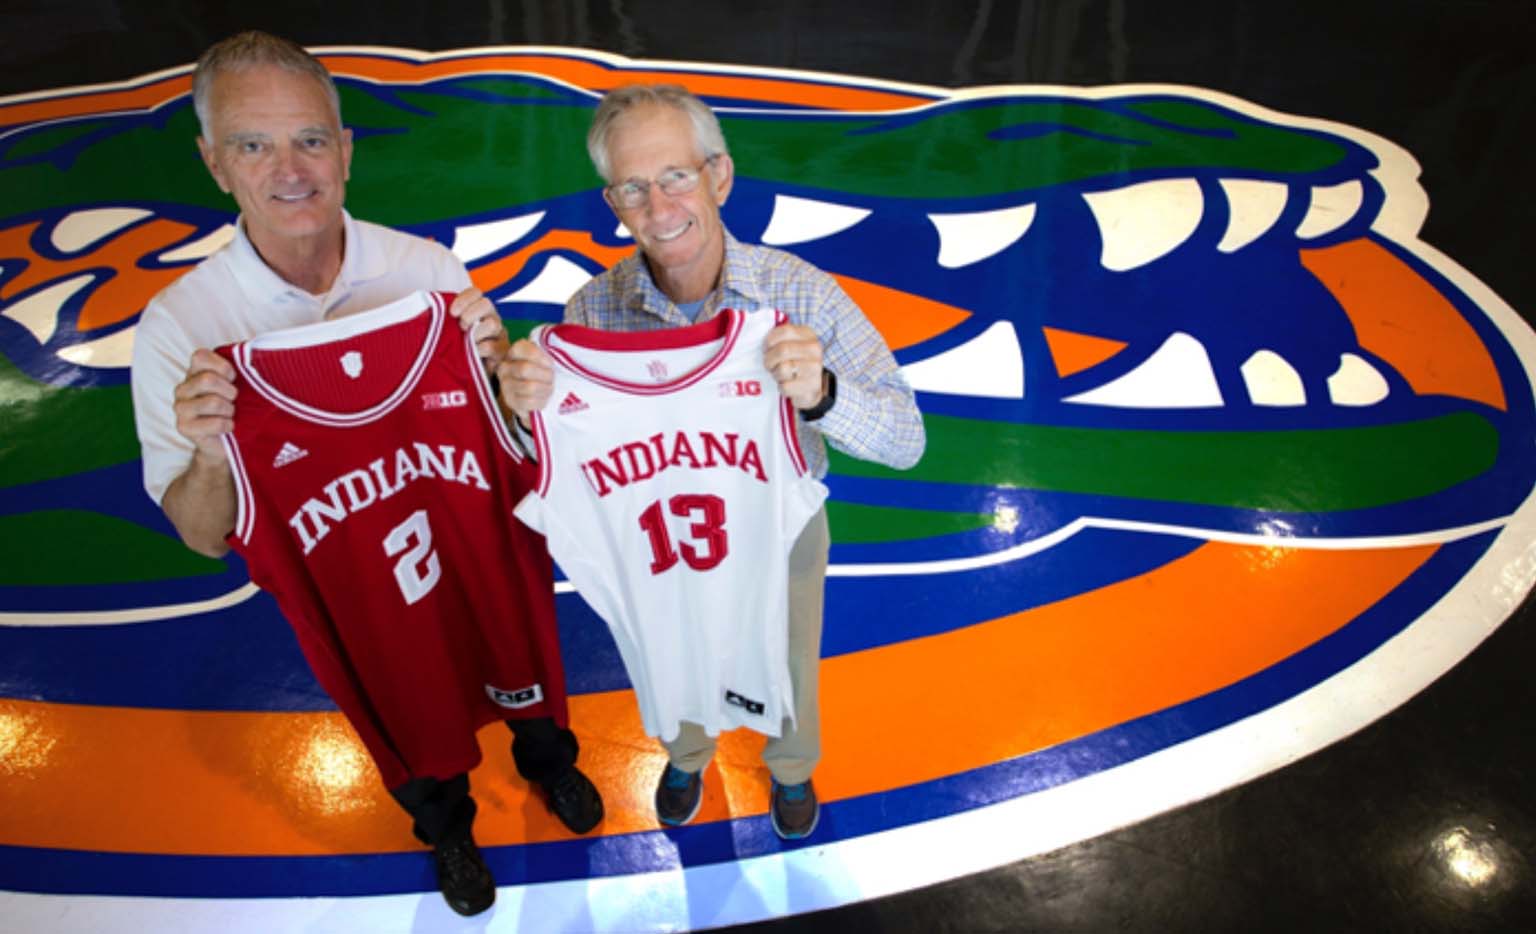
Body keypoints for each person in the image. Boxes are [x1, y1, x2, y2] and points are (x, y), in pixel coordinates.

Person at [128, 31, 601, 917]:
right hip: (366, 608)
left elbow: (515, 449)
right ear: (214, 163)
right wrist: (207, 449)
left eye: (311, 138)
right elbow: (200, 534)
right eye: (252, 145)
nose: (290, 168)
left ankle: (551, 766)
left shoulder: (425, 275)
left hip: (477, 572)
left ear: (345, 149)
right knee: (414, 732)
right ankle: (448, 831)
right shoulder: (183, 327)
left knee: (531, 688)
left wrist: (503, 382)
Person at [497, 83, 925, 840]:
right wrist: (520, 408)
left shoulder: (798, 294)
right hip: (651, 529)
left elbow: (905, 439)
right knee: (662, 650)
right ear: (613, 201)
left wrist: (823, 394)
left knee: (790, 667)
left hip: (775, 530)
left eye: (676, 177)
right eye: (633, 186)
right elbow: (548, 464)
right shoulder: (590, 315)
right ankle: (687, 754)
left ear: (718, 177)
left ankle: (790, 770)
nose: (658, 206)